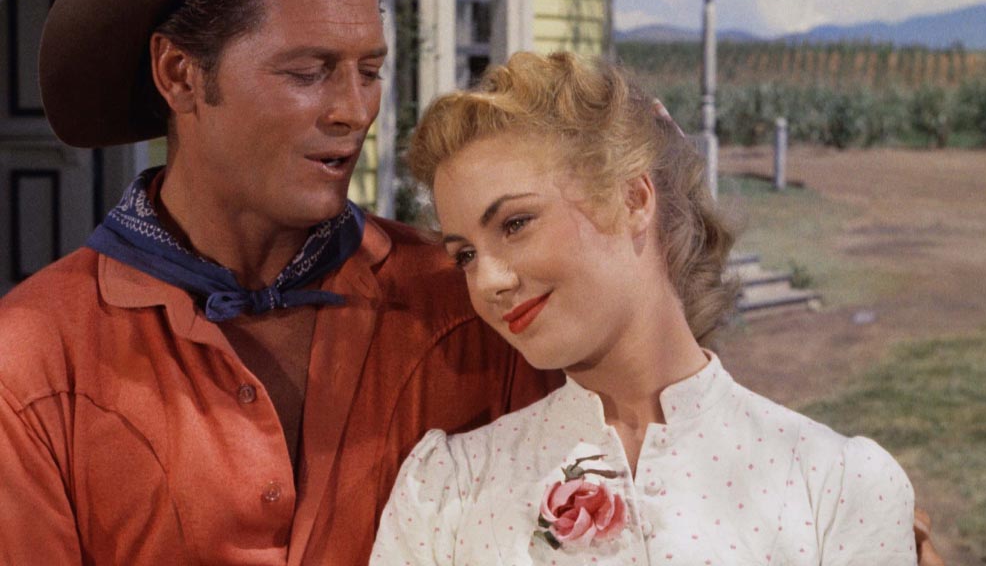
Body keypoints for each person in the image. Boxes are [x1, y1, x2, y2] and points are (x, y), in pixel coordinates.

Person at [0, 0, 558, 564]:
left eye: (370, 70)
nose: (354, 111)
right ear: (180, 74)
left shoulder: (470, 303)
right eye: (307, 72)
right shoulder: (33, 362)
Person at [371, 52, 927, 564]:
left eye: (515, 224)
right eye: (465, 255)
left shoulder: (836, 487)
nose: (489, 281)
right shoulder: (446, 493)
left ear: (634, 198)